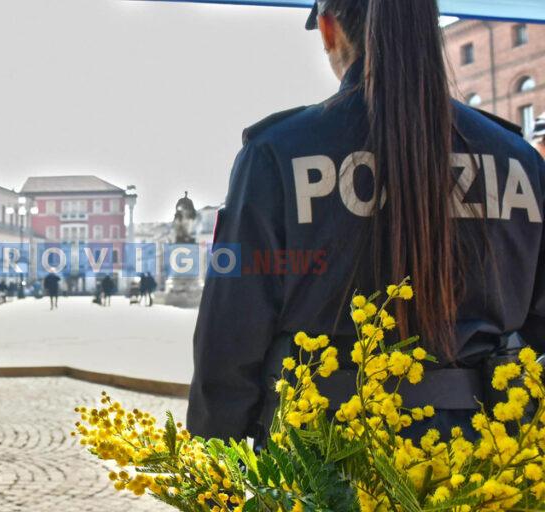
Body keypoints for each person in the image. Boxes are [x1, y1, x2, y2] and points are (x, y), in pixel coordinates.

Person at [187, 0, 545, 444]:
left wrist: (213, 463)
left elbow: (230, 334)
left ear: (328, 29)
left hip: (321, 459)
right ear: (429, 30)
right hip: (485, 458)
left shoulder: (275, 155)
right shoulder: (520, 161)